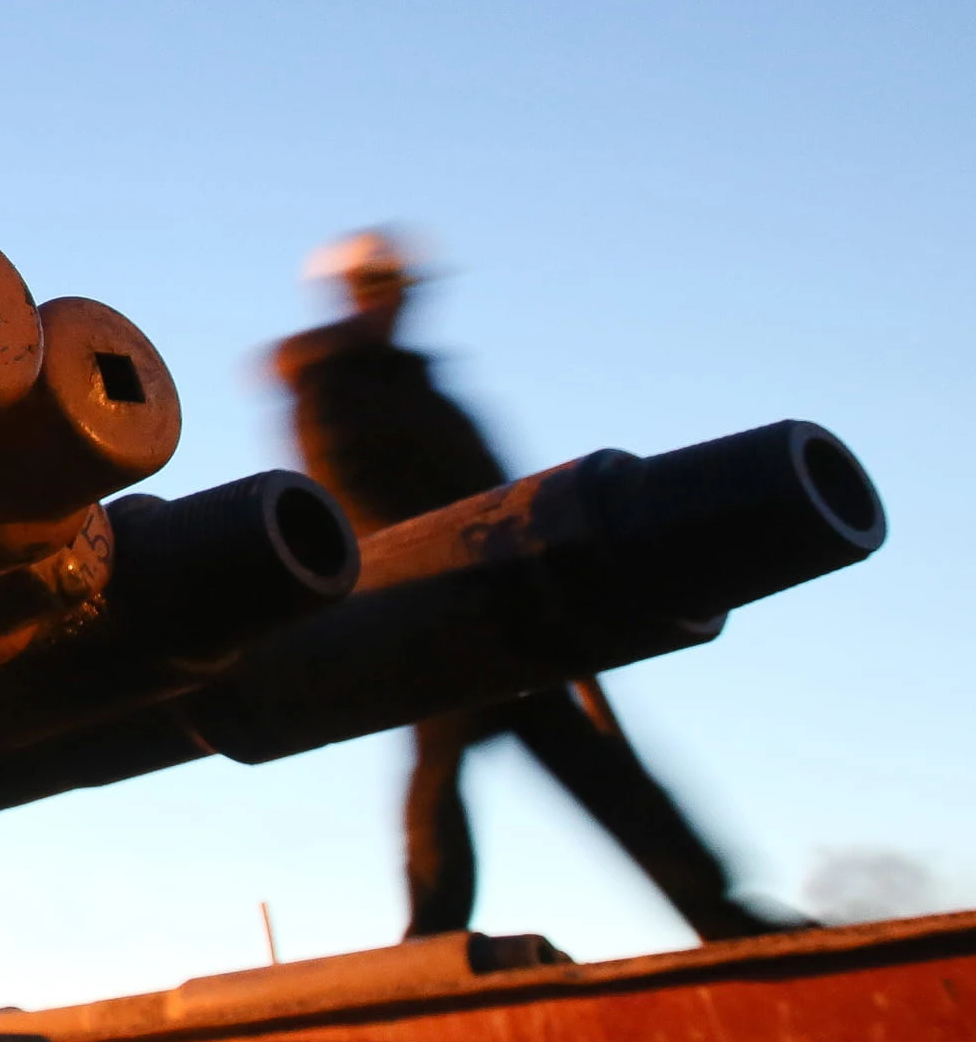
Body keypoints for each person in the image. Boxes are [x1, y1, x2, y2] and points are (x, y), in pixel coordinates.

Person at [271, 230, 797, 944]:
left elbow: (491, 482)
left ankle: (715, 911)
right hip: (434, 603)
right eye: (384, 287)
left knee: (574, 762)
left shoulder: (409, 381)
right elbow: (354, 490)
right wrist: (443, 563)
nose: (398, 301)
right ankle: (434, 932)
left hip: (503, 592)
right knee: (451, 757)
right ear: (357, 292)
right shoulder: (335, 383)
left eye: (402, 288)